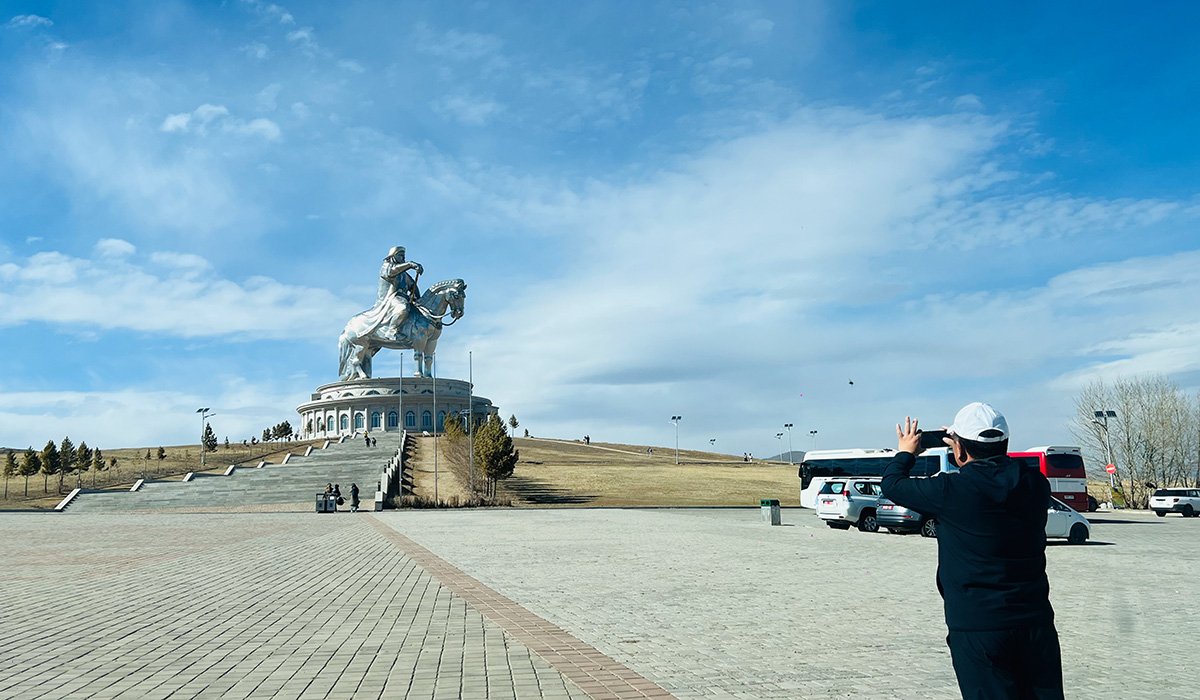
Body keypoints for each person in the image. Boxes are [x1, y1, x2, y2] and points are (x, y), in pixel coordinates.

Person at [882, 402, 1063, 700]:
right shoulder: (1035, 485)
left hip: (978, 625)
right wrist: (960, 445)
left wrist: (906, 452)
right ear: (1004, 443)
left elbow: (892, 484)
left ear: (960, 451)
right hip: (1035, 621)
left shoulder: (950, 491)